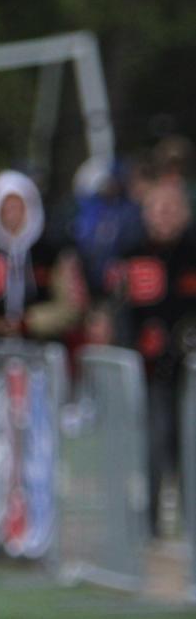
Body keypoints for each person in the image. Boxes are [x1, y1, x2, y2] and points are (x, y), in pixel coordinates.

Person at [109, 179, 196, 536]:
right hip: (152, 370)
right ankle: (152, 525)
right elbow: (121, 309)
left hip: (190, 370)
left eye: (172, 208)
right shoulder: (133, 252)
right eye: (158, 209)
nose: (164, 216)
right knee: (156, 445)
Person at [0, 169, 86, 343]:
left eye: (17, 207)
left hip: (41, 347)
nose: (11, 215)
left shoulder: (51, 249)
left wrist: (30, 323)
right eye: (4, 209)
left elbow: (70, 307)